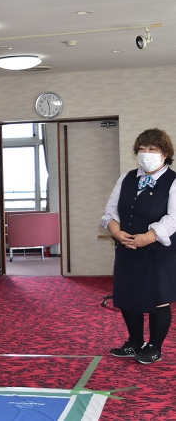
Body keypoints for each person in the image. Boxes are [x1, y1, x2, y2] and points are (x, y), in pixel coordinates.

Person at [101, 128, 176, 365]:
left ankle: (154, 347)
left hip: (158, 250)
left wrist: (148, 237)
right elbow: (110, 211)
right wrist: (115, 230)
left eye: (152, 149)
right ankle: (134, 342)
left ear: (165, 153)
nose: (146, 153)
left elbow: (173, 218)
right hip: (127, 246)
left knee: (158, 297)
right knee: (128, 294)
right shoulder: (126, 177)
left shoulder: (173, 181)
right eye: (142, 149)